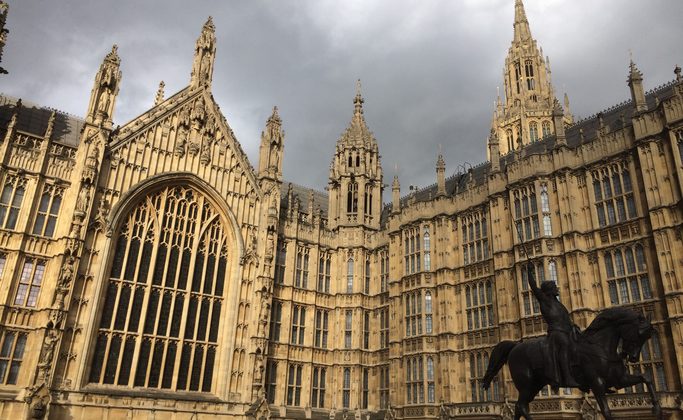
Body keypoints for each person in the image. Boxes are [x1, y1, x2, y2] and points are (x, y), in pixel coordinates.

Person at [526, 264, 580, 389]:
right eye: (554, 287)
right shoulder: (545, 300)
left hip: (566, 331)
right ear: (549, 290)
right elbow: (534, 287)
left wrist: (573, 326)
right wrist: (529, 271)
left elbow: (566, 319)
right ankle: (566, 377)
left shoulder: (558, 304)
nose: (557, 289)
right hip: (556, 332)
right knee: (565, 344)